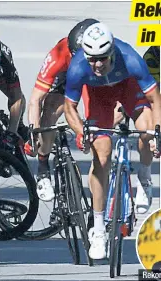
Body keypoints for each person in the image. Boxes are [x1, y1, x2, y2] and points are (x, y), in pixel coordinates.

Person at [63, 22, 161, 260]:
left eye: (102, 59)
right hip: (99, 98)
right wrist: (81, 132)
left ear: (112, 51)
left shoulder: (129, 57)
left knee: (146, 131)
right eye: (92, 59)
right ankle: (98, 229)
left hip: (129, 88)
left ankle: (145, 178)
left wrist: (158, 132)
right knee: (102, 156)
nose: (96, 65)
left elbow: (155, 98)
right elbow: (70, 108)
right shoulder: (78, 67)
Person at [26, 18, 124, 202]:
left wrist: (91, 130)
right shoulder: (60, 53)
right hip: (65, 80)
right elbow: (35, 100)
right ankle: (43, 168)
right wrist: (34, 132)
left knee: (98, 131)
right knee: (49, 113)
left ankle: (97, 206)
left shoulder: (106, 54)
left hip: (95, 79)